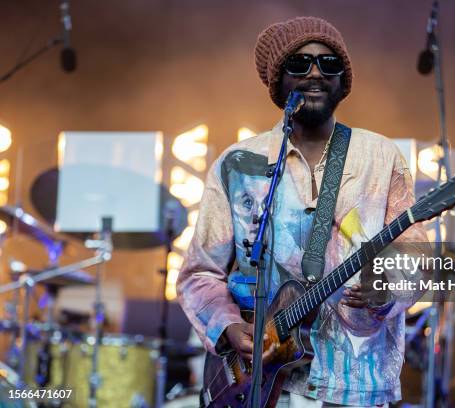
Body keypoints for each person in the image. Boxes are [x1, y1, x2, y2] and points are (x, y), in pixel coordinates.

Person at [177, 16, 429, 408]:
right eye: (300, 64)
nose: (315, 73)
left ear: (343, 81)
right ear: (278, 82)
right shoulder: (238, 164)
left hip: (356, 386)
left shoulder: (381, 157)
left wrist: (388, 286)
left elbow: (416, 257)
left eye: (329, 64)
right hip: (260, 389)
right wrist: (227, 326)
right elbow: (200, 273)